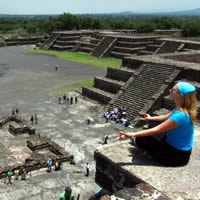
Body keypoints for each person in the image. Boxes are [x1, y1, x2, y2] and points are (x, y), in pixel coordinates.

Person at [115, 82, 197, 167]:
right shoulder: (183, 107)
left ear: (180, 95)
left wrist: (131, 134)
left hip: (175, 157)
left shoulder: (180, 115)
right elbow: (165, 117)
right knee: (153, 123)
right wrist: (150, 118)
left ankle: (136, 141)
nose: (170, 90)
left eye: (173, 90)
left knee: (144, 138)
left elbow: (156, 130)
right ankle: (143, 143)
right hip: (180, 152)